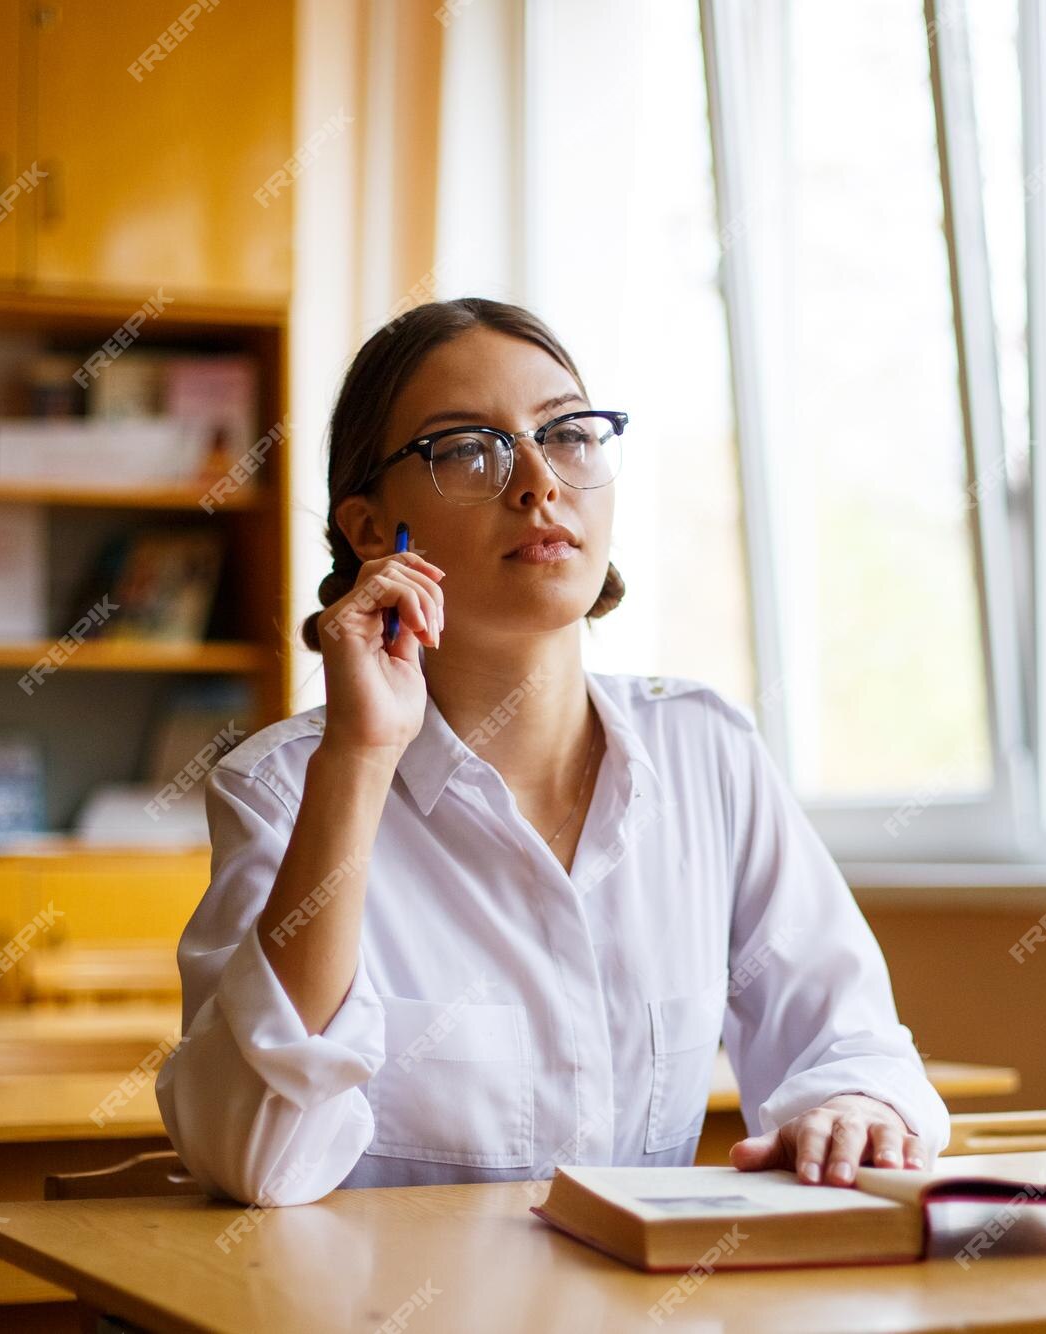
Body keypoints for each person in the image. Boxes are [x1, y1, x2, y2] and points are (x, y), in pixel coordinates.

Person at [156, 297, 948, 1206]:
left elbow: (849, 1042)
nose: (538, 481)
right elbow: (255, 1160)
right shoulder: (285, 787)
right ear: (372, 530)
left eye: (568, 433)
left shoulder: (707, 752)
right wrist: (361, 758)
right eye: (466, 450)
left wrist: (852, 1105)